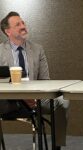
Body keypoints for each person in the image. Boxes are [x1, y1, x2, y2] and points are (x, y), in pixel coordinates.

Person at [0, 11, 69, 150]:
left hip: (35, 98)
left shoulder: (37, 49)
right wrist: (23, 96)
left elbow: (45, 80)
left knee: (63, 102)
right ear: (8, 31)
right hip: (7, 100)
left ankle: (57, 146)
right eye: (18, 24)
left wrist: (36, 96)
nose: (23, 26)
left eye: (23, 22)